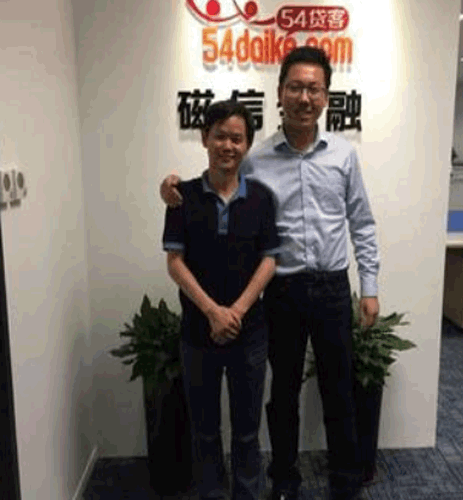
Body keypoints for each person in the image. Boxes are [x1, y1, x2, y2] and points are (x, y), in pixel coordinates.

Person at [161, 47, 380, 500]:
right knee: (282, 394)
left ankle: (345, 482)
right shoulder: (256, 158)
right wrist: (172, 190)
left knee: (338, 390)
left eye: (314, 89)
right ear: (280, 93)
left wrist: (370, 287)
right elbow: (215, 183)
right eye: (295, 87)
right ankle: (284, 482)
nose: (305, 97)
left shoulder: (343, 155)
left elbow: (362, 222)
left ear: (326, 96)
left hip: (332, 287)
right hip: (282, 290)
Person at [162, 99, 280, 500]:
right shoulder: (181, 197)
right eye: (220, 136)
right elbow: (175, 263)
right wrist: (213, 312)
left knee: (247, 431)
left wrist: (236, 312)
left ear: (246, 145)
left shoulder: (261, 197)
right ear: (204, 138)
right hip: (198, 334)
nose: (228, 145)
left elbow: (270, 259)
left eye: (237, 138)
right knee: (205, 430)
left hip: (250, 334)